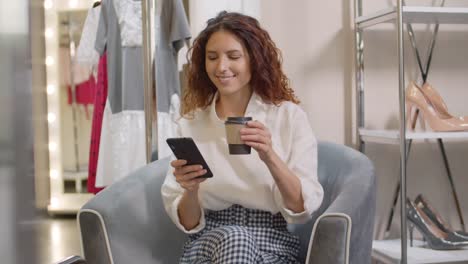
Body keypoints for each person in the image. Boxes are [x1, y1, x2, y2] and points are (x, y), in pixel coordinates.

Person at [161, 11, 324, 264]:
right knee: (236, 238)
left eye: (233, 56)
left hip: (273, 245)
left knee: (238, 240)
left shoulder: (288, 118)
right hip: (208, 243)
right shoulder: (191, 124)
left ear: (254, 60)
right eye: (212, 57)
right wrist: (190, 190)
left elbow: (301, 209)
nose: (221, 67)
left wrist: (270, 155)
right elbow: (190, 223)